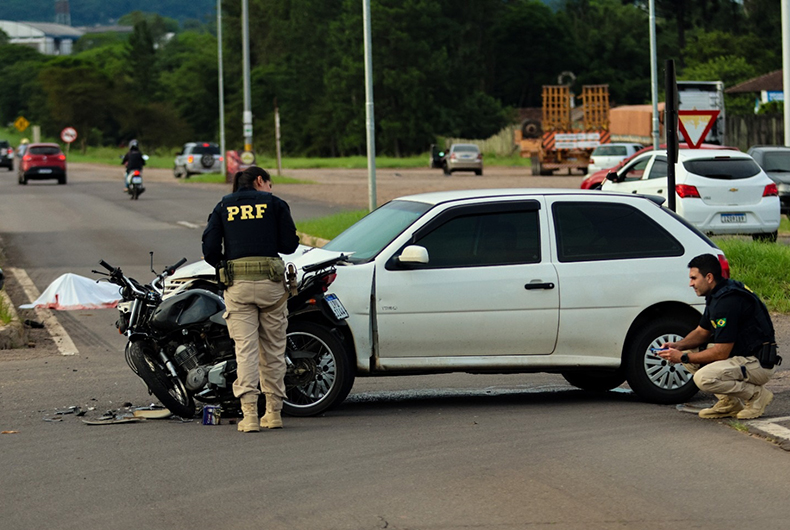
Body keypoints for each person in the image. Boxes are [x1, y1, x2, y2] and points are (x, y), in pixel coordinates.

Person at [201, 166, 300, 432]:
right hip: (272, 287)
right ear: (260, 181)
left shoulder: (224, 205)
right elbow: (289, 245)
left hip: (238, 286)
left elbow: (210, 248)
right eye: (270, 183)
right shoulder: (276, 204)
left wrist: (225, 262)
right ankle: (274, 413)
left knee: (245, 351)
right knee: (274, 350)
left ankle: (249, 417)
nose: (271, 188)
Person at [658, 254, 779, 420]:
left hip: (758, 364)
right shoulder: (718, 294)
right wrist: (678, 346)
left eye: (694, 278)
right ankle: (730, 403)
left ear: (708, 277)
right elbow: (702, 331)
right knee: (690, 350)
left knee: (703, 377)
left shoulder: (727, 303)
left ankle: (756, 396)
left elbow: (721, 352)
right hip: (743, 357)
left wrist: (683, 358)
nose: (690, 283)